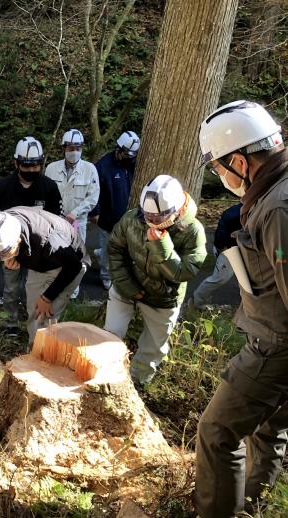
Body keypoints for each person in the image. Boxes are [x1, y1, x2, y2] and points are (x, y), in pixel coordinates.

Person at [195, 100, 287, 518]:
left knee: (216, 432)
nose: (220, 176)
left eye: (218, 167)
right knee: (269, 433)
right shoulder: (275, 192)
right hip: (275, 334)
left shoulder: (278, 208)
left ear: (239, 159)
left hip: (278, 344)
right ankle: (247, 507)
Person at [105, 175, 206, 385]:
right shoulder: (132, 219)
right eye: (147, 214)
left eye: (159, 217)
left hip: (163, 299)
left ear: (176, 209)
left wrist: (162, 246)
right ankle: (104, 377)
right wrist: (127, 286)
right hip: (127, 287)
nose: (152, 220)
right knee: (109, 336)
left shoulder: (193, 231)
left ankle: (138, 383)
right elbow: (115, 250)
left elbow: (185, 272)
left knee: (153, 348)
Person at [0, 206, 87, 346]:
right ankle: (34, 347)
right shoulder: (3, 222)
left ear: (17, 240)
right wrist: (9, 257)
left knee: (44, 316)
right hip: (40, 262)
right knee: (34, 309)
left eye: (4, 254)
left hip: (66, 266)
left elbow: (74, 266)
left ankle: (42, 356)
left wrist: (47, 297)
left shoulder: (51, 242)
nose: (2, 258)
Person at [0, 136, 62, 334]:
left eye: (36, 166)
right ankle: (10, 323)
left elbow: (56, 223)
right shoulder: (2, 187)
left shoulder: (49, 187)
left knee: (35, 289)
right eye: (27, 165)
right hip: (11, 249)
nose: (32, 170)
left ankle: (35, 325)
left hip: (40, 250)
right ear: (16, 163)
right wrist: (7, 253)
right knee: (11, 288)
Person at [89, 131, 140, 290]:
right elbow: (94, 190)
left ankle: (103, 258)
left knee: (124, 247)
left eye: (131, 155)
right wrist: (95, 212)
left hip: (128, 216)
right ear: (118, 149)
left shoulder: (132, 163)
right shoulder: (103, 166)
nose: (128, 158)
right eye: (126, 154)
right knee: (108, 248)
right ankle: (106, 276)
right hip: (108, 216)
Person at [45, 129, 100, 245]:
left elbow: (92, 198)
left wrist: (74, 213)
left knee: (77, 255)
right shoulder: (51, 168)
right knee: (55, 252)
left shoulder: (90, 169)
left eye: (78, 149)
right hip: (55, 221)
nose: (75, 152)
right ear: (63, 149)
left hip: (78, 223)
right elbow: (45, 194)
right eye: (71, 149)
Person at [188, 202, 241, 310]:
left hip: (245, 251)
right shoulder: (234, 214)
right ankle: (196, 302)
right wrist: (221, 248)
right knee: (219, 278)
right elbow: (221, 234)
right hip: (228, 250)